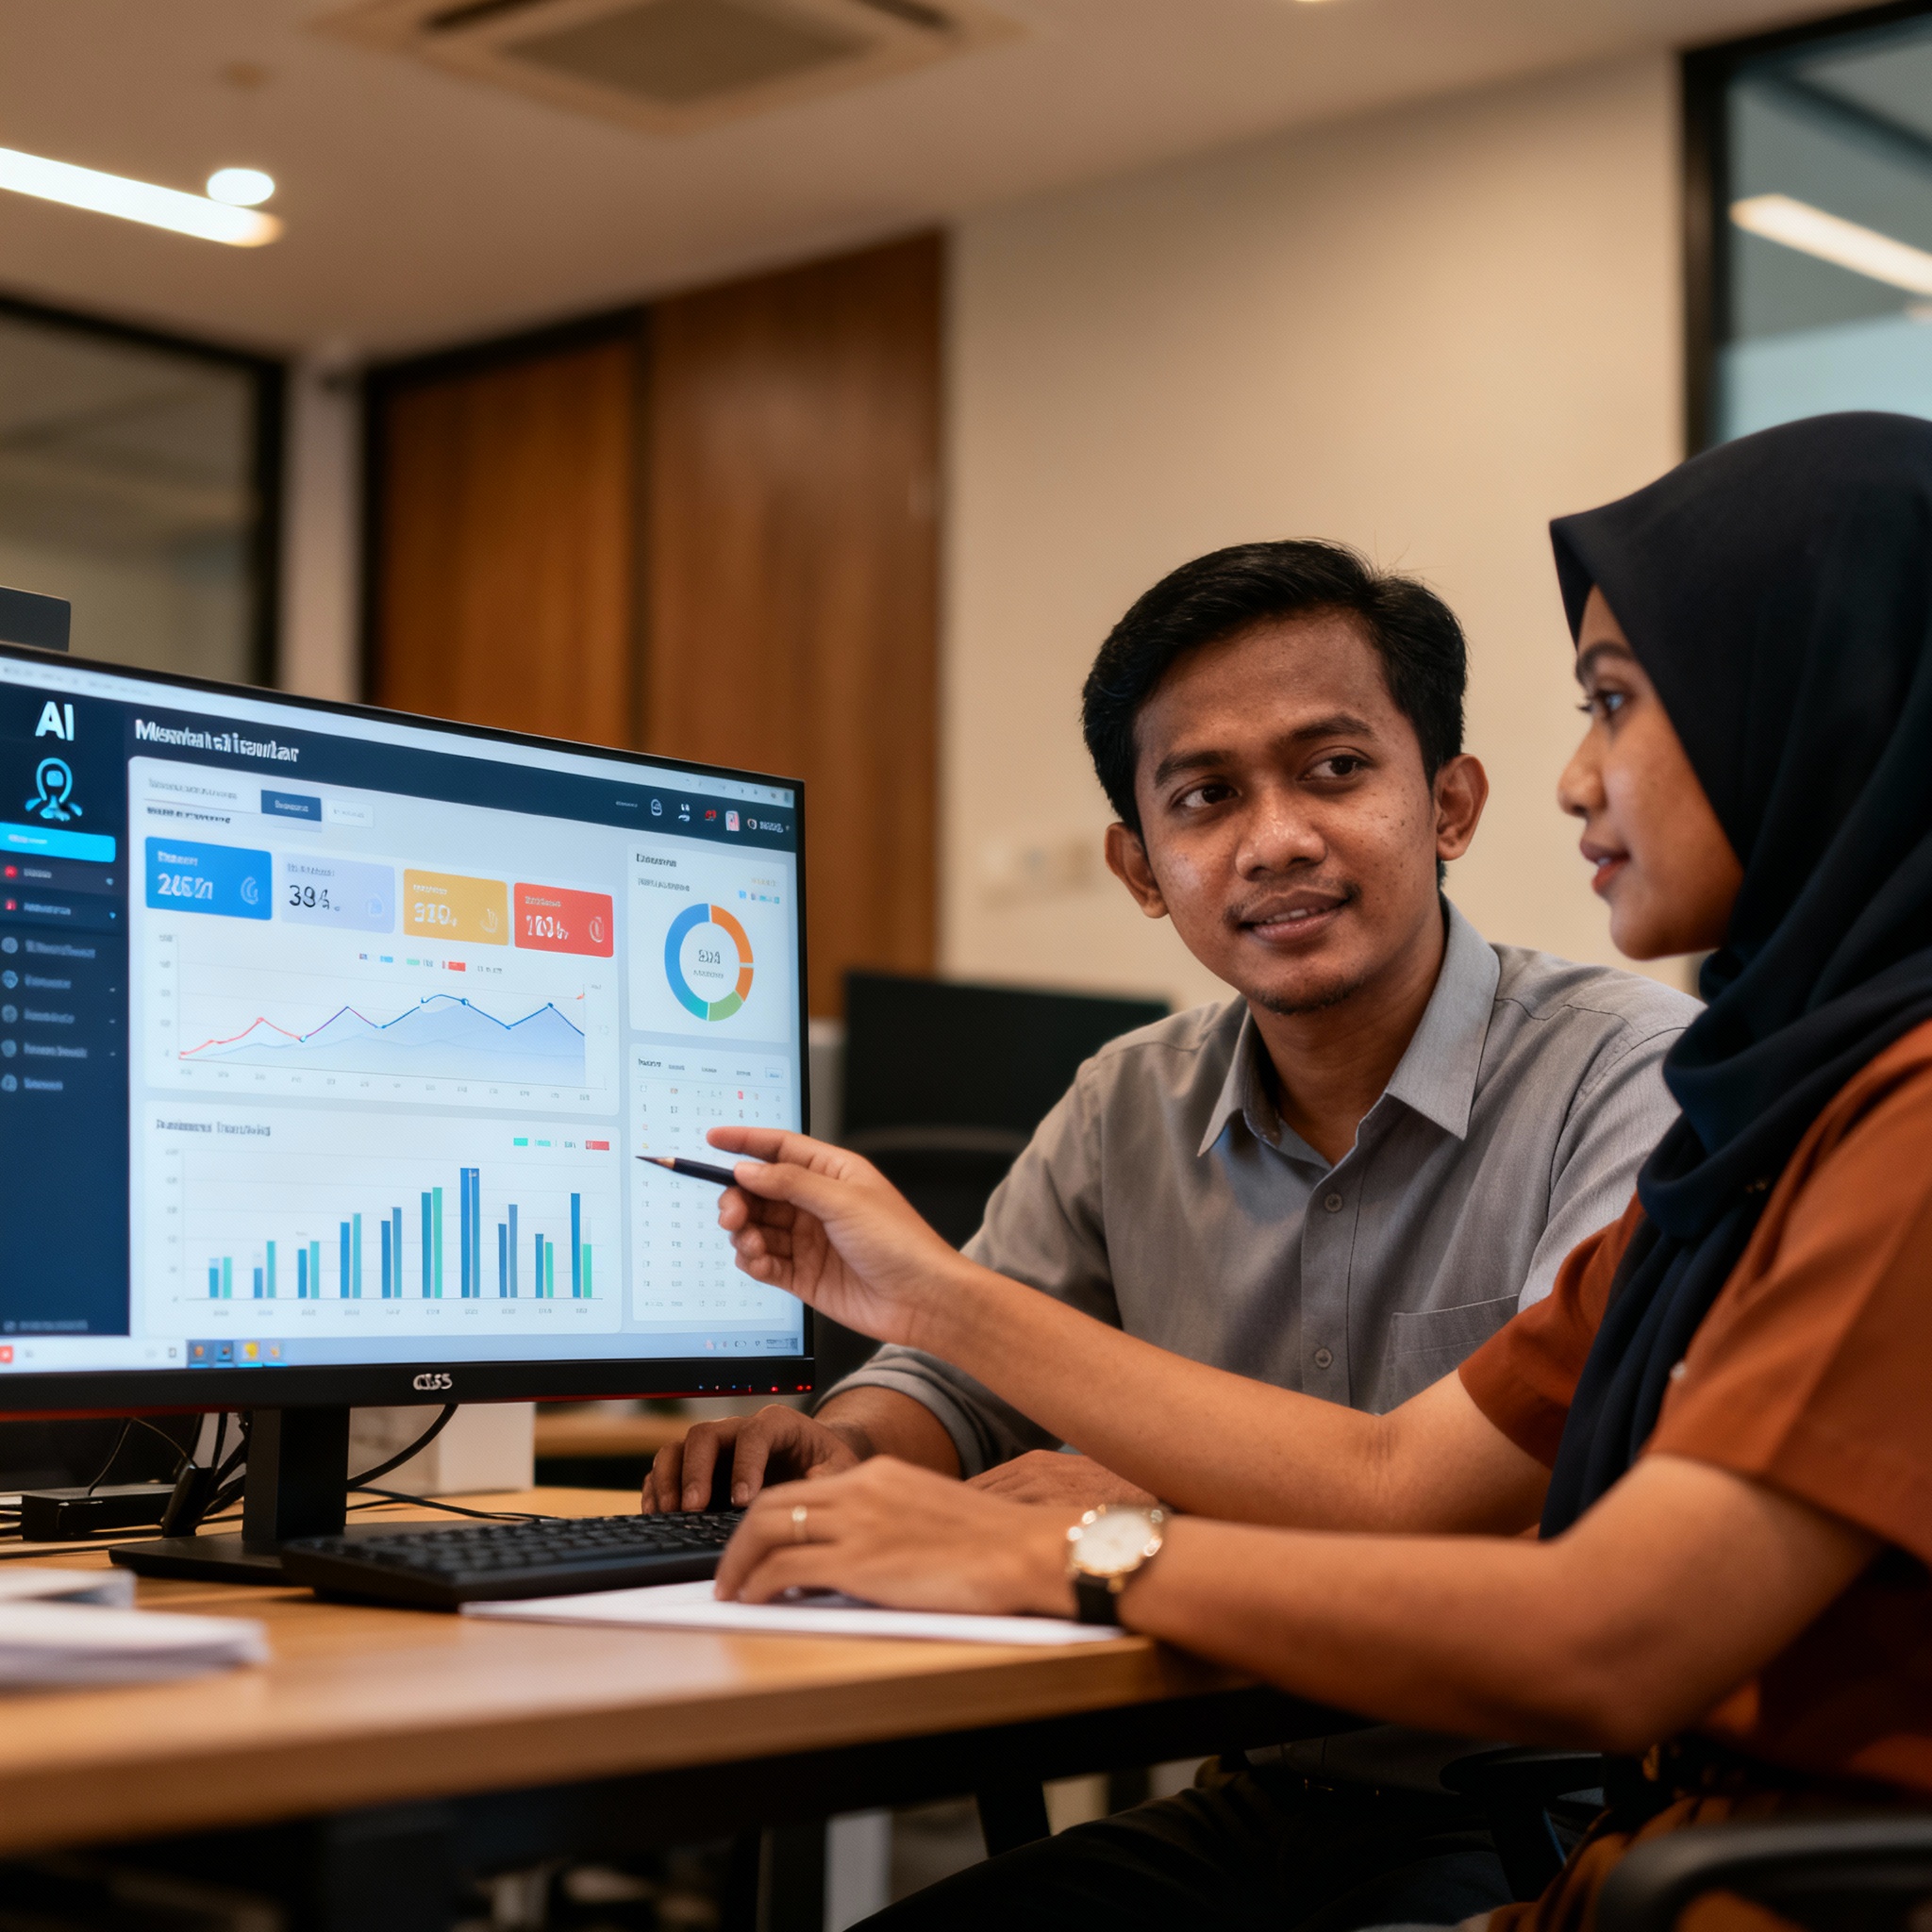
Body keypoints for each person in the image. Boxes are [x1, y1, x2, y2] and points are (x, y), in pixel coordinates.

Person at [698, 413, 1932, 1931]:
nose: (1575, 778)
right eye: (1205, 797)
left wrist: (1079, 1545)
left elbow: (1603, 1637)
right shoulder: (1777, 1116)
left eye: (1616, 702)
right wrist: (923, 1352)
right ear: (1140, 863)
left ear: (1820, 708)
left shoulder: (1880, 1125)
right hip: (1491, 1837)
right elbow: (1400, 1483)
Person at [646, 541, 1695, 1518]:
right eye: (1205, 794)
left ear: (1449, 805)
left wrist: (1164, 1504)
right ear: (1141, 870)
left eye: (1334, 767)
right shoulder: (1124, 1101)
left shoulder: (1633, 1075)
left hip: (1504, 1722)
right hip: (1153, 1718)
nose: (1275, 841)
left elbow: (1548, 1491)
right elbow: (955, 1387)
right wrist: (850, 1446)